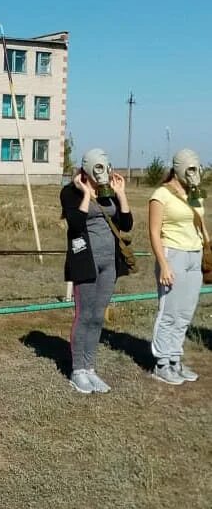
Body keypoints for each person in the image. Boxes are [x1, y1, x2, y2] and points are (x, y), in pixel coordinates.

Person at [61, 148, 133, 394]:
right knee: (84, 315)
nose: (103, 173)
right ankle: (77, 370)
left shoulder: (109, 193)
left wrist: (121, 195)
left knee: (98, 316)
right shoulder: (69, 192)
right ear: (87, 169)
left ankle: (90, 367)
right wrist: (84, 194)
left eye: (106, 167)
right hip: (85, 262)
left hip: (109, 264)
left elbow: (126, 224)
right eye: (98, 168)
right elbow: (76, 224)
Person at [148, 148, 207, 385]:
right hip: (174, 254)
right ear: (179, 167)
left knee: (184, 313)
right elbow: (153, 232)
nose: (195, 173)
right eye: (190, 169)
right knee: (169, 312)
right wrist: (163, 264)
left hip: (195, 255)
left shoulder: (195, 194)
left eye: (197, 168)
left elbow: (200, 223)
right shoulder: (160, 195)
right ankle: (161, 363)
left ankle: (175, 359)